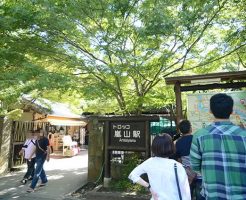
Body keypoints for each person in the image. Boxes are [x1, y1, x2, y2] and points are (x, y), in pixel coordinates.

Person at [190, 93, 246, 200]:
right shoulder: (244, 135)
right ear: (232, 110)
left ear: (210, 111)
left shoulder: (199, 136)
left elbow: (195, 166)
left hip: (212, 194)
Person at [129, 134, 191, 200]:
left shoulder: (149, 162)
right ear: (170, 146)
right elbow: (185, 192)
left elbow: (132, 175)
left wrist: (149, 186)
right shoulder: (177, 166)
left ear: (154, 147)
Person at [175, 120, 202, 199]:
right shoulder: (197, 140)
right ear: (191, 129)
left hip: (187, 175)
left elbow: (179, 160)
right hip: (199, 174)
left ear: (180, 130)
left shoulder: (178, 142)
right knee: (199, 195)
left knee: (187, 196)